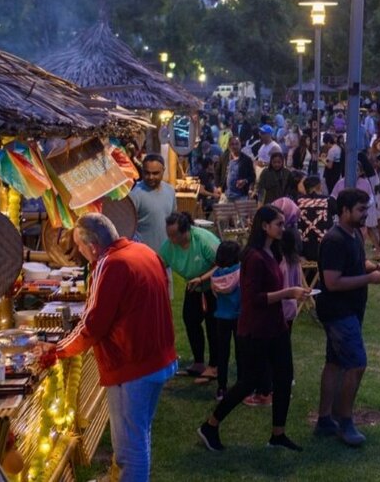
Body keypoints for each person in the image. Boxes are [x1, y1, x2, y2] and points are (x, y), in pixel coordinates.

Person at [57, 214, 177, 480]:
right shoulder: (143, 250)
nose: (78, 251)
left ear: (94, 245)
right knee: (139, 434)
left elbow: (93, 324)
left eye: (79, 246)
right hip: (159, 358)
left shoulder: (110, 263)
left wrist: (56, 350)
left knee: (129, 445)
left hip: (133, 365)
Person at [197, 206, 309, 452]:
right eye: (278, 224)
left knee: (282, 378)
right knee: (248, 382)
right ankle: (210, 425)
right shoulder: (254, 257)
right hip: (256, 330)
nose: (283, 227)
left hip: (275, 326)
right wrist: (288, 293)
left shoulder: (273, 251)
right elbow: (254, 298)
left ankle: (278, 434)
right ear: (264, 226)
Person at [315, 189, 380, 445]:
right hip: (338, 311)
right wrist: (369, 278)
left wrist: (373, 267)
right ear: (344, 211)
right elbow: (332, 282)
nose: (365, 214)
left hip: (350, 310)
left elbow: (355, 263)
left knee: (334, 363)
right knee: (356, 364)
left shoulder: (355, 233)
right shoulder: (334, 240)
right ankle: (345, 422)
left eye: (366, 209)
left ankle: (325, 419)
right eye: (360, 210)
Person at [160, 213, 220, 381]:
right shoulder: (169, 246)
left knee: (212, 325)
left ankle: (214, 366)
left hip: (213, 287)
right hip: (193, 286)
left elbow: (223, 263)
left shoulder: (203, 240)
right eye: (168, 234)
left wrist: (202, 278)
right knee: (190, 320)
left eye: (174, 235)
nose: (170, 238)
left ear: (186, 231)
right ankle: (199, 362)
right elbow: (158, 265)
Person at [211, 241, 242, 401]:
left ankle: (221, 388)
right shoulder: (240, 272)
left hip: (221, 317)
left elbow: (215, 295)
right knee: (240, 352)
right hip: (237, 316)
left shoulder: (215, 275)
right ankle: (241, 385)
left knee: (222, 354)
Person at [129, 154, 177, 252]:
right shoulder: (135, 195)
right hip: (144, 256)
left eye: (155, 173)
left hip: (166, 255)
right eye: (147, 173)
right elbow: (127, 228)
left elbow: (174, 220)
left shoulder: (170, 191)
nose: (150, 177)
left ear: (163, 170)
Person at [296, 175, 333, 262]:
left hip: (303, 250)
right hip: (325, 249)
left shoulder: (297, 201)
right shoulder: (328, 200)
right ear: (319, 186)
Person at [219, 136, 255, 202]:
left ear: (240, 145)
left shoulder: (247, 160)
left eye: (237, 144)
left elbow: (253, 176)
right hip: (226, 195)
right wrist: (218, 186)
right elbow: (217, 172)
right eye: (232, 144)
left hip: (241, 196)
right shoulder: (224, 158)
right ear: (229, 146)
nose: (234, 146)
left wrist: (245, 181)